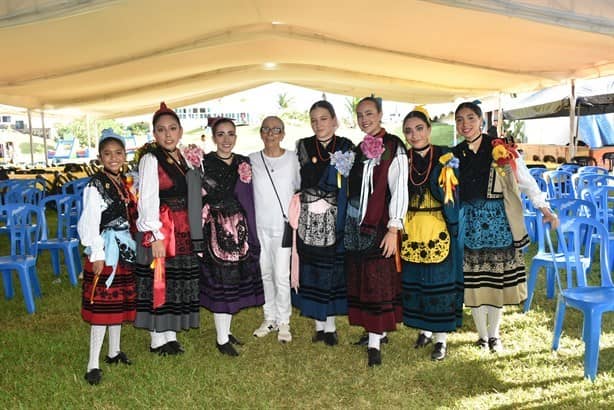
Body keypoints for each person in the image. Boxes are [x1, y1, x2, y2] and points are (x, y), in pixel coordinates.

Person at [452, 101, 558, 353]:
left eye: (470, 118)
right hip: (470, 226)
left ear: (481, 121)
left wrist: (545, 209)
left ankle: (494, 335)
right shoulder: (453, 154)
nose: (464, 124)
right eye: (459, 119)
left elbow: (526, 182)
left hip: (499, 223)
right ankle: (481, 335)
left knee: (495, 282)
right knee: (475, 282)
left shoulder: (501, 148)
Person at [188, 118, 264, 356]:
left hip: (238, 228)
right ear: (213, 137)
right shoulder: (203, 163)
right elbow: (194, 200)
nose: (226, 139)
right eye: (220, 134)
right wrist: (197, 237)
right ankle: (221, 339)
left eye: (231, 134)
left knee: (233, 282)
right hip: (215, 228)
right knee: (221, 282)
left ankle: (226, 331)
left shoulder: (244, 162)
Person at [344, 97, 408, 366]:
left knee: (377, 281)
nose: (364, 119)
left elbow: (400, 186)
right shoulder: (358, 149)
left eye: (369, 113)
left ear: (380, 114)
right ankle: (374, 332)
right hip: (357, 225)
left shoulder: (394, 146)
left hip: (381, 224)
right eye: (360, 114)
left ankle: (374, 344)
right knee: (363, 279)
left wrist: (394, 227)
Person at [133, 102, 200, 355]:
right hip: (162, 230)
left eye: (172, 128)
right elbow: (147, 199)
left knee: (174, 282)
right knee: (157, 281)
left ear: (181, 131)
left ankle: (170, 334)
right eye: (161, 130)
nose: (168, 134)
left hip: (181, 229)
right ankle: (156, 339)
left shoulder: (184, 158)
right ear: (154, 134)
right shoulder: (151, 159)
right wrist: (155, 235)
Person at [400, 107, 463, 361]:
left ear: (429, 129)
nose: (414, 135)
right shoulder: (403, 159)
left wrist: (453, 224)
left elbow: (452, 198)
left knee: (439, 283)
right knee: (419, 281)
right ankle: (424, 330)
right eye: (408, 131)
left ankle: (441, 340)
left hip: (437, 226)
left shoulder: (445, 158)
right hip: (412, 227)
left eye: (419, 129)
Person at [292, 100, 354, 346]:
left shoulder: (347, 146)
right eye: (314, 120)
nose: (319, 124)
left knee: (333, 273)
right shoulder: (304, 146)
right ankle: (319, 326)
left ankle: (330, 327)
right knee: (313, 271)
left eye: (324, 118)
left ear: (334, 120)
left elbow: (346, 184)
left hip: (336, 216)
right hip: (309, 219)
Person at [78, 129, 137, 385]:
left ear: (124, 155)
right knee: (102, 308)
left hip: (122, 249)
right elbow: (89, 222)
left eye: (118, 153)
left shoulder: (122, 181)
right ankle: (93, 363)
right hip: (104, 250)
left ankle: (114, 351)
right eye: (107, 153)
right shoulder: (96, 184)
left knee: (117, 305)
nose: (113, 157)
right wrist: (97, 253)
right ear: (100, 157)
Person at [248, 116, 300, 343]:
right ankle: (269, 317)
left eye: (276, 130)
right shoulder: (251, 160)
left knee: (281, 275)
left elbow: (299, 188)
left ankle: (284, 321)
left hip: (283, 227)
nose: (271, 134)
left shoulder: (293, 159)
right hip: (259, 227)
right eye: (266, 129)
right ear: (260, 133)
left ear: (283, 134)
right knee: (265, 274)